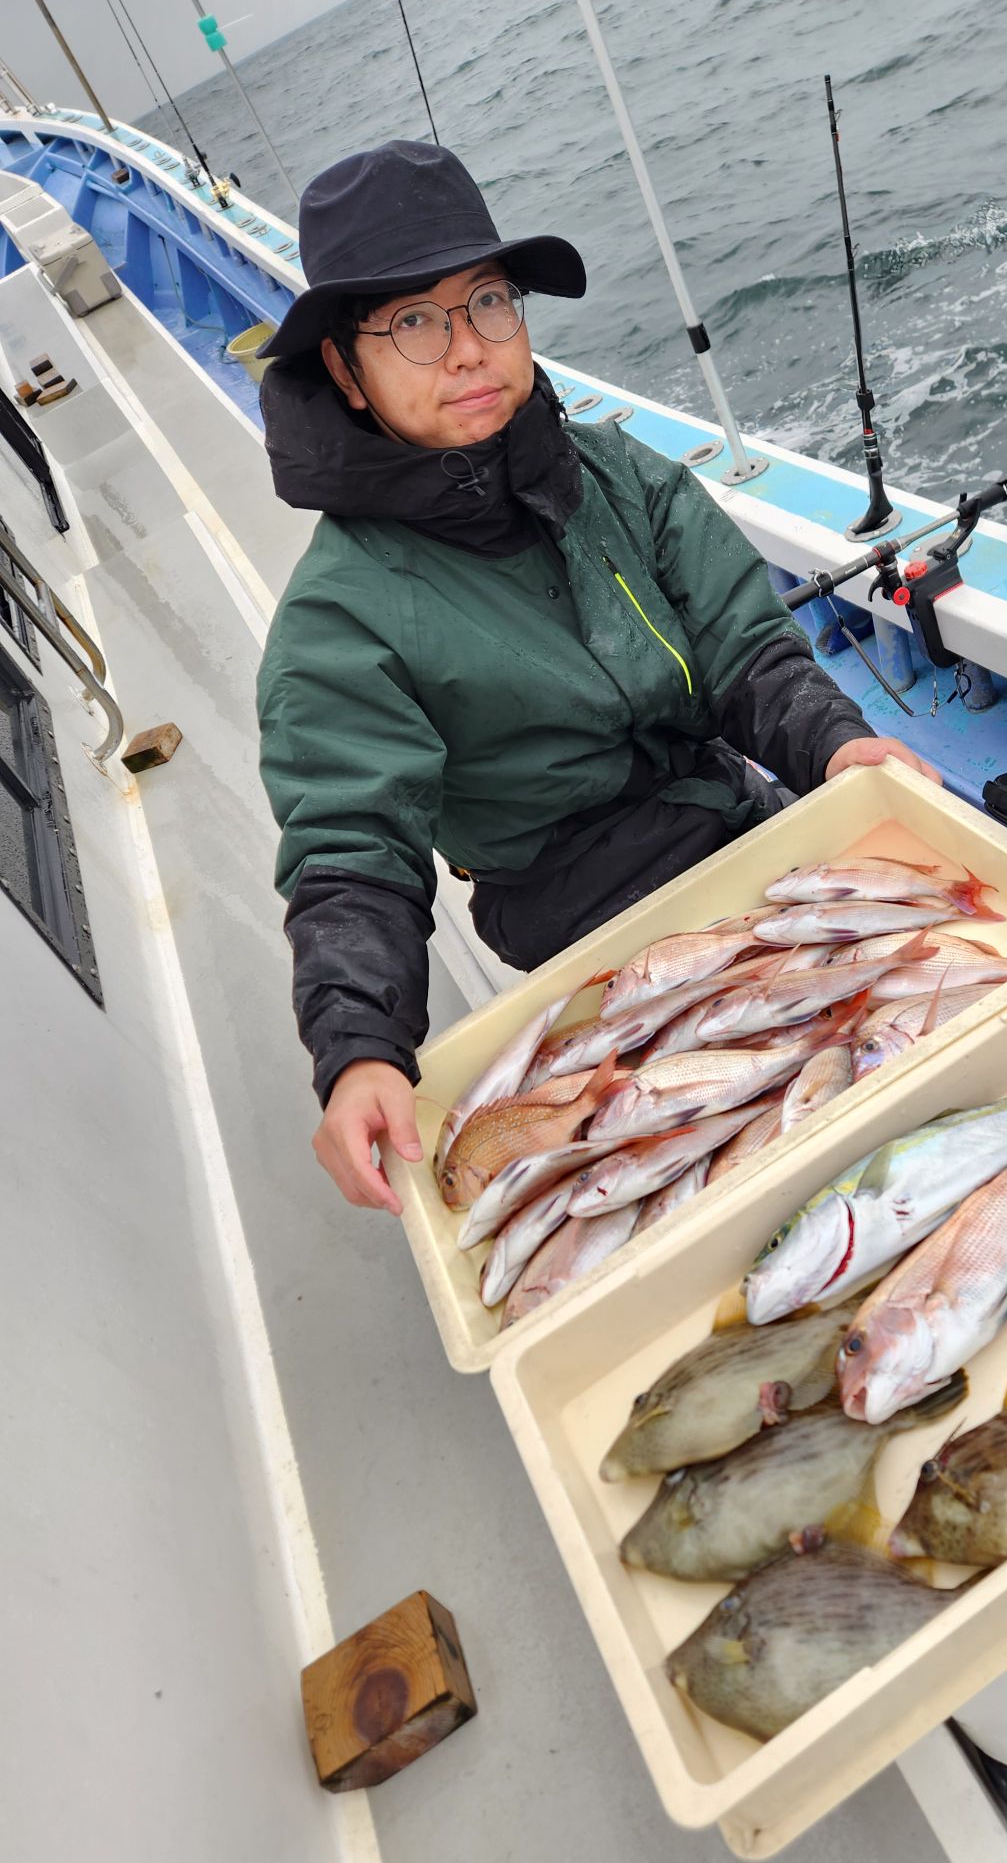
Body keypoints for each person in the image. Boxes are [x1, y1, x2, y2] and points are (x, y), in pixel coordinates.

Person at [255, 141, 938, 1216]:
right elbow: (353, 852)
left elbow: (745, 651)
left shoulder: (619, 474)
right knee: (743, 1178)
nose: (468, 349)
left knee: (919, 1037)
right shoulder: (339, 614)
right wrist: (360, 1048)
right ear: (345, 369)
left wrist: (839, 746)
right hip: (582, 922)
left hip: (745, 833)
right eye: (415, 323)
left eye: (488, 302)